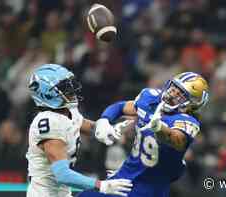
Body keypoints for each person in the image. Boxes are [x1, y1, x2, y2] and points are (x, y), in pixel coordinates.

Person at [78, 72, 209, 197]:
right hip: (126, 174)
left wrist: (159, 128)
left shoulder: (187, 121)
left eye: (180, 94)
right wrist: (105, 119)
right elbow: (122, 106)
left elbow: (177, 140)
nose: (172, 94)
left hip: (149, 187)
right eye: (174, 88)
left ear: (191, 103)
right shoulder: (151, 98)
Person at [26, 64, 133, 197]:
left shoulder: (67, 111)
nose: (72, 91)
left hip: (63, 193)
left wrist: (105, 128)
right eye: (65, 88)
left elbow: (83, 125)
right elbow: (63, 175)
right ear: (47, 94)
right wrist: (101, 185)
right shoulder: (49, 122)